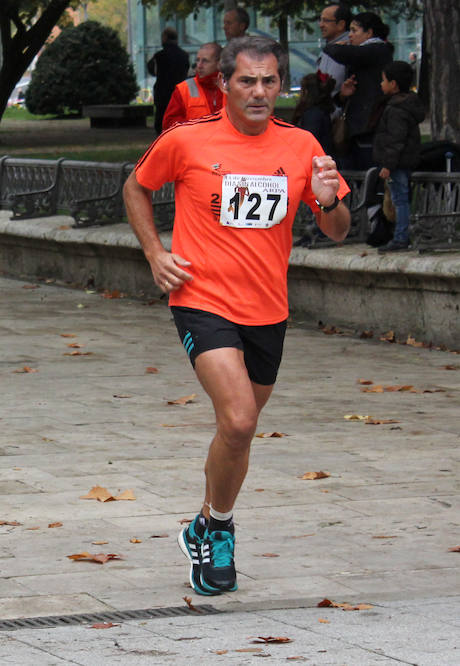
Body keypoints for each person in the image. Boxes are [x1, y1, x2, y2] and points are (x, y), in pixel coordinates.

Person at [122, 36, 350, 596]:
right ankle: (221, 532)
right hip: (201, 299)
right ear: (225, 83)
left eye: (269, 81)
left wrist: (327, 200)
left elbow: (337, 230)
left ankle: (204, 522)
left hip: (267, 308)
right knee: (242, 419)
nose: (259, 92)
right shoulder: (187, 139)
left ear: (281, 85)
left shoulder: (301, 145)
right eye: (247, 80)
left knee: (236, 432)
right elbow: (135, 186)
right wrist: (154, 253)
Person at [323, 11, 394, 169]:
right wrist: (343, 95)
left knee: (365, 167)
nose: (350, 35)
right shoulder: (365, 53)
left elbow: (339, 52)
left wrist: (334, 46)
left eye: (354, 30)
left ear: (369, 33)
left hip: (369, 124)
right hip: (357, 124)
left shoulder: (377, 50)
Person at [373, 61, 425, 253]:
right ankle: (401, 235)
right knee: (400, 198)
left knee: (399, 199)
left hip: (397, 163)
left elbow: (396, 140)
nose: (381, 84)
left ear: (393, 84)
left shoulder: (396, 109)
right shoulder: (406, 105)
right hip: (403, 161)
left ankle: (401, 237)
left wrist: (388, 165)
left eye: (384, 80)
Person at [162, 43, 225, 131]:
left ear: (219, 63)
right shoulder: (183, 89)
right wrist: (195, 130)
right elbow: (169, 123)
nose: (199, 65)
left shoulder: (232, 87)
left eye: (205, 61)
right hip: (195, 139)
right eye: (197, 60)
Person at [147, 27, 191, 134]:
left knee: (162, 120)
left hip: (163, 93)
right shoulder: (184, 56)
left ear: (165, 38)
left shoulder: (159, 56)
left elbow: (151, 69)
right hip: (180, 92)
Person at [316, 4, 352, 101]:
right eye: (320, 20)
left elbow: (336, 85)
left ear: (341, 24)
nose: (321, 25)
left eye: (326, 21)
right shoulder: (329, 47)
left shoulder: (349, 48)